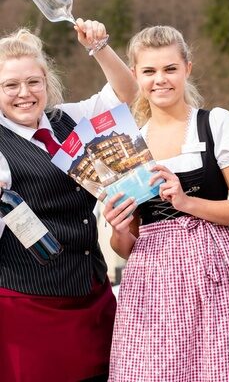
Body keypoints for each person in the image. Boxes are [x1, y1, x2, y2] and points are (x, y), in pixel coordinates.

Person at [103, 25, 229, 381]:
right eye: (149, 71)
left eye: (170, 69)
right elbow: (126, 246)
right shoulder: (128, 146)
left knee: (217, 370)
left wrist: (186, 202)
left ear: (187, 69)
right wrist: (118, 229)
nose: (160, 80)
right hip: (150, 282)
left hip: (213, 275)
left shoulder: (216, 124)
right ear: (135, 75)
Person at [0, 19, 138, 382]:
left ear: (47, 82)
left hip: (93, 293)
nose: (24, 93)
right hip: (31, 305)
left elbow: (126, 92)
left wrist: (99, 46)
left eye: (33, 82)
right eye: (10, 85)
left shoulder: (70, 119)